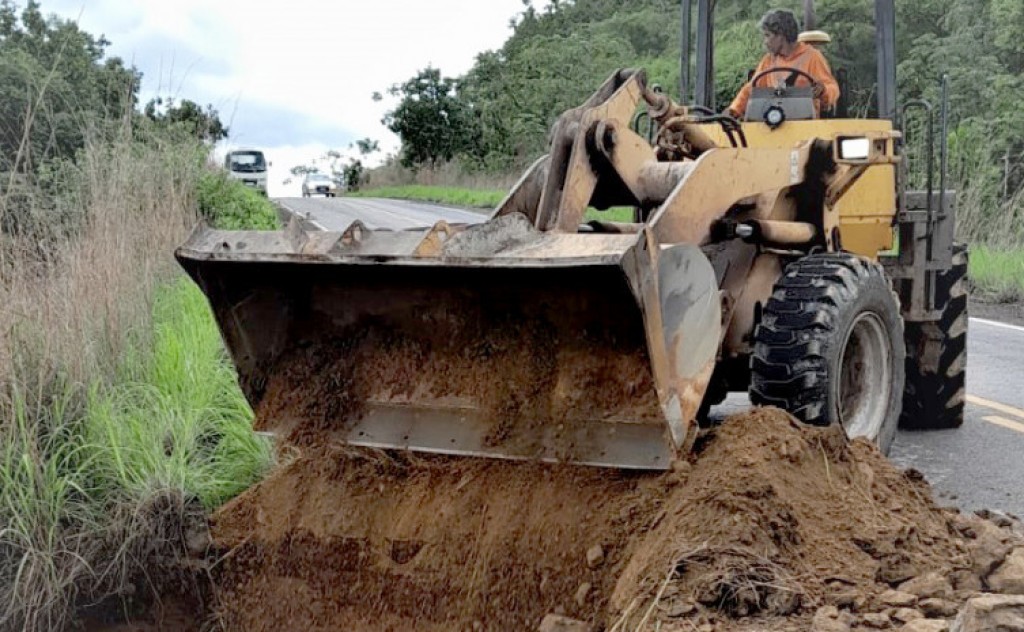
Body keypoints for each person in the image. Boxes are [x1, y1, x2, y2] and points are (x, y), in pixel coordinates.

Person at [726, 10, 840, 119]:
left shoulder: (812, 57)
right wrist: (733, 111)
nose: (765, 42)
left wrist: (823, 90)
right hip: (773, 121)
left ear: (781, 35)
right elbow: (750, 89)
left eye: (767, 35)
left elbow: (832, 88)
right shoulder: (768, 61)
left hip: (805, 124)